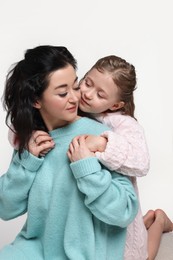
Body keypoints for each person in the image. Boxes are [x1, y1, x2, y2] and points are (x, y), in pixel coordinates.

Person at [0, 45, 138, 260]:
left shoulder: (99, 138)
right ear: (36, 101)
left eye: (75, 86)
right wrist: (27, 163)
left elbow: (125, 212)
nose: (76, 98)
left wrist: (88, 170)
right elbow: (5, 209)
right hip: (32, 250)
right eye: (63, 93)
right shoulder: (33, 141)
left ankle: (155, 222)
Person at [76, 55, 173, 260]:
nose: (87, 93)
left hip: (116, 204)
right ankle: (146, 219)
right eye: (87, 82)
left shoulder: (122, 124)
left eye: (100, 94)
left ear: (115, 105)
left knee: (140, 255)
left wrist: (103, 144)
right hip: (87, 206)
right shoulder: (70, 101)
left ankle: (159, 221)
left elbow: (142, 163)